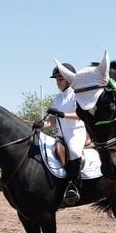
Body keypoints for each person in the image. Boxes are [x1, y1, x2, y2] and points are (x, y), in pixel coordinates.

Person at [44, 63, 87, 206]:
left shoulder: (77, 95)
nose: (58, 82)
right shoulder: (57, 99)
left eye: (60, 79)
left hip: (76, 132)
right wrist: (40, 125)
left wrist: (62, 114)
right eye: (56, 79)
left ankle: (74, 186)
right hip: (61, 134)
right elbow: (51, 123)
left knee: (74, 151)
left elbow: (80, 115)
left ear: (68, 79)